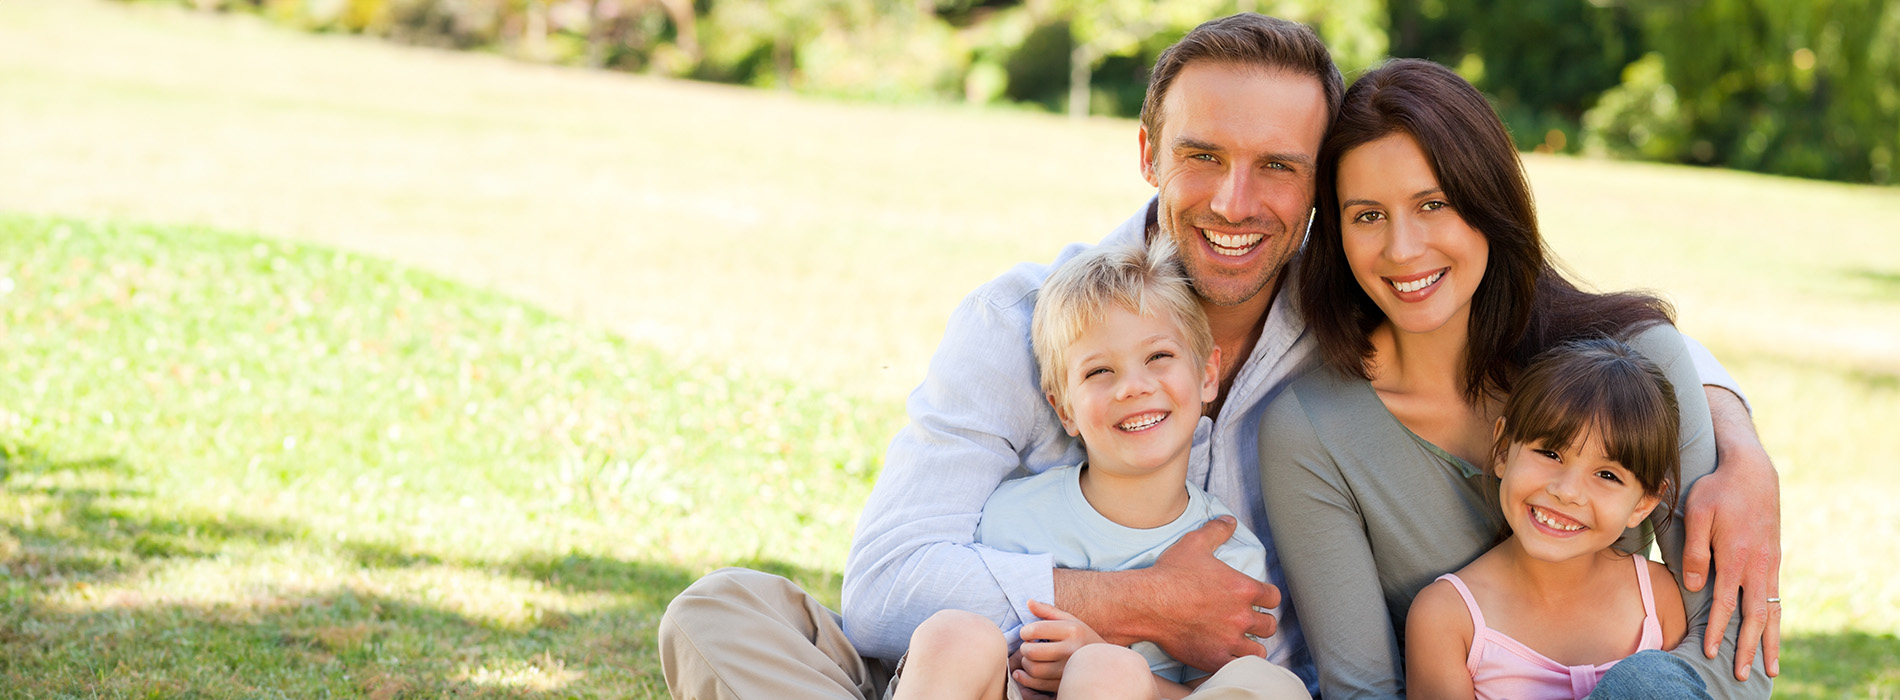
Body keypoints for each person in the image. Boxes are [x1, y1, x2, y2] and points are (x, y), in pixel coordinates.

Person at [659, 15, 1782, 700]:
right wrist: (1145, 602)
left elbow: (1584, 325)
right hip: (981, 672)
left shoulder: (1349, 317)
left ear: (1319, 186)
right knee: (720, 613)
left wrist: (1731, 431)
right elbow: (884, 588)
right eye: (1203, 156)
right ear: (1148, 150)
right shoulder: (1019, 322)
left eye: (1278, 168)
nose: (1236, 203)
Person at [1258, 58, 1772, 700]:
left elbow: (1733, 649)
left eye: (1434, 204)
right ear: (1335, 232)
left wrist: (1743, 448)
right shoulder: (1312, 432)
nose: (1402, 248)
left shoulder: (1640, 358)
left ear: (1489, 203)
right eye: (1367, 215)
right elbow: (1364, 690)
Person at [893, 239, 1310, 700]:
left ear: (1207, 374)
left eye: (1158, 357)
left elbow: (1216, 691)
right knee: (954, 633)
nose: (1133, 387)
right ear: (1064, 409)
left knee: (1112, 669)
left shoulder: (1229, 559)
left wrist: (1099, 659)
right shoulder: (1008, 517)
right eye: (1098, 372)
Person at [1405, 338, 1692, 700]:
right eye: (1550, 453)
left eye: (1607, 475)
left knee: (1648, 681)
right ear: (1503, 450)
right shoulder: (1447, 617)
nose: (1567, 491)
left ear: (1644, 504)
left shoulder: (1657, 597)